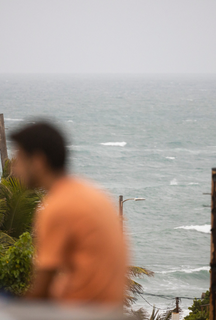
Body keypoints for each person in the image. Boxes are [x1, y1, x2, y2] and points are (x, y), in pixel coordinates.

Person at [10, 121, 128, 308]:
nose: (13, 169)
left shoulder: (58, 206)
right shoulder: (91, 193)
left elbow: (41, 292)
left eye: (19, 159)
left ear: (38, 161)